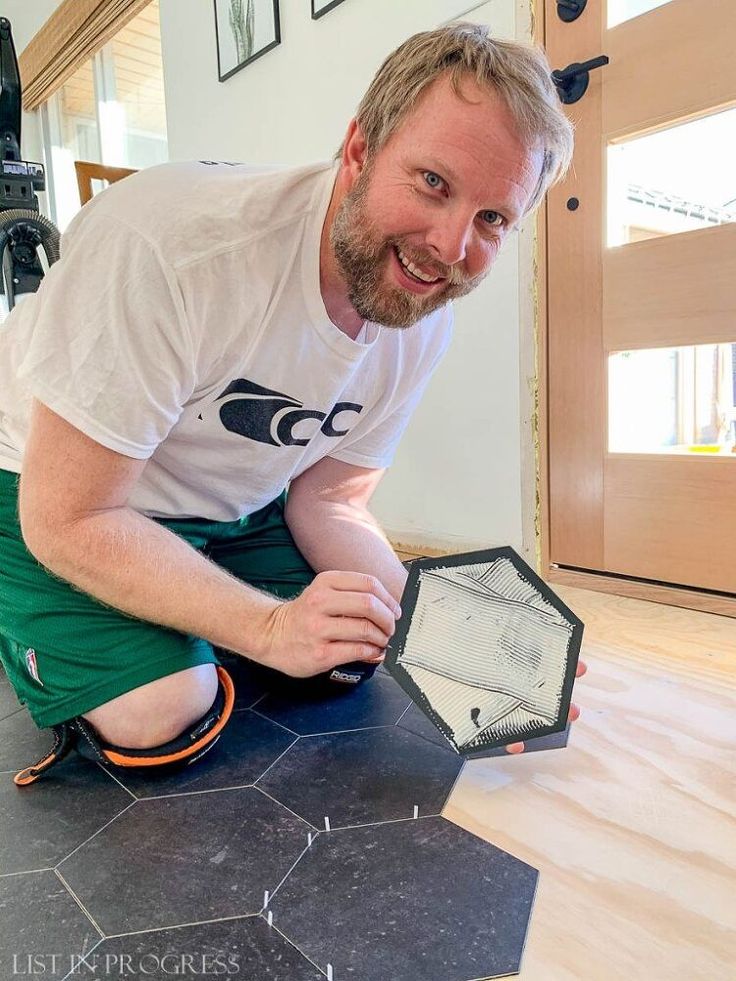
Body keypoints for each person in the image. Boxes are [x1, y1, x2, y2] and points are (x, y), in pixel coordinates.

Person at [0, 22, 584, 782]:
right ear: (359, 149)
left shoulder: (418, 317)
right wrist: (268, 625)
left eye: (492, 218)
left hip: (233, 505)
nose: (448, 245)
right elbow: (66, 515)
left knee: (350, 650)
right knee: (164, 709)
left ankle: (191, 610)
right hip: (49, 491)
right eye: (434, 182)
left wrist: (454, 647)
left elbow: (331, 502)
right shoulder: (171, 247)